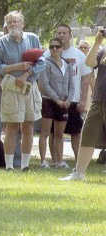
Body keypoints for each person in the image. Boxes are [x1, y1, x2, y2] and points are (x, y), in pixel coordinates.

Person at [0, 10, 45, 171]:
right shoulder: (1, 42)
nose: (13, 25)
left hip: (29, 87)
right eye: (10, 22)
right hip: (11, 88)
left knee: (28, 126)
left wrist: (26, 74)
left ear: (23, 23)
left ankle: (25, 166)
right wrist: (15, 67)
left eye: (16, 21)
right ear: (6, 26)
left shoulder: (33, 39)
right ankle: (9, 166)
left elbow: (41, 63)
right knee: (11, 126)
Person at [61, 27, 106, 181]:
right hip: (98, 99)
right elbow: (89, 62)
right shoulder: (103, 50)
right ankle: (79, 173)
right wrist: (97, 43)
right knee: (87, 135)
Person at [47, 24, 92, 167]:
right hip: (54, 99)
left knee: (76, 132)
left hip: (73, 100)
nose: (61, 35)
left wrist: (83, 99)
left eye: (64, 33)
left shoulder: (79, 55)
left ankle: (79, 163)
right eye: (59, 33)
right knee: (54, 133)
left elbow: (86, 78)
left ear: (70, 35)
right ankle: (55, 161)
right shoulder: (50, 54)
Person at [38, 37, 74, 168]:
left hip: (64, 103)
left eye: (57, 47)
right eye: (52, 47)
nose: (54, 49)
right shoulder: (45, 63)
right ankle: (43, 161)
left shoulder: (68, 65)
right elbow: (44, 84)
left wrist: (68, 100)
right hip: (48, 101)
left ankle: (59, 161)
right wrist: (56, 99)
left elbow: (72, 85)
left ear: (62, 48)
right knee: (45, 132)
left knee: (59, 134)